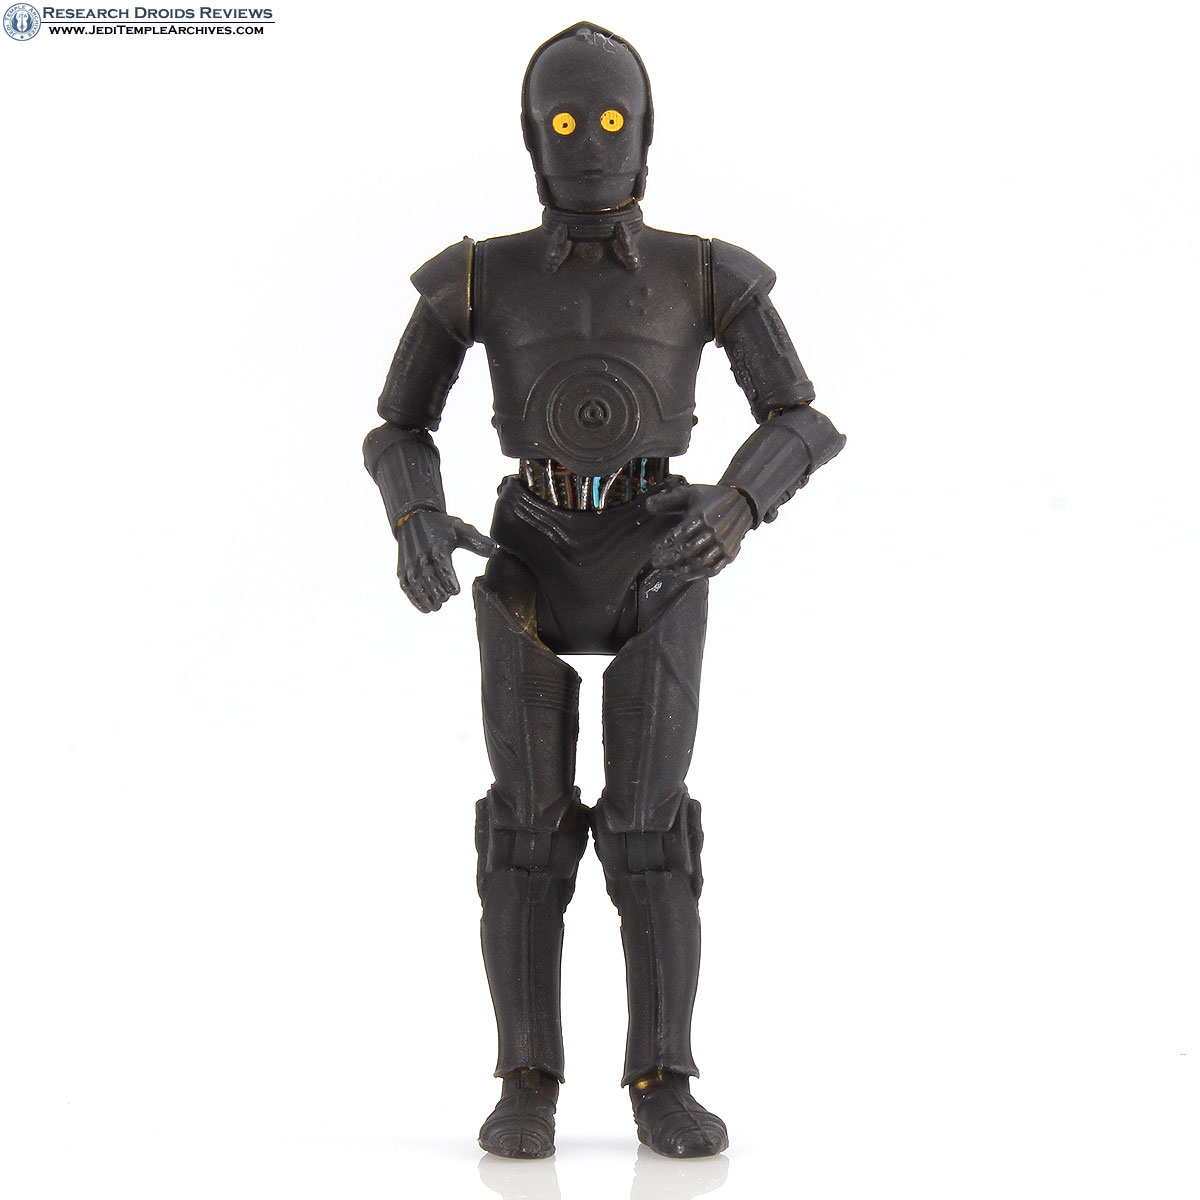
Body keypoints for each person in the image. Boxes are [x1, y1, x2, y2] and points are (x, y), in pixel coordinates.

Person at [364, 22, 845, 1160]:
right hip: (527, 553)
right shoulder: (477, 275)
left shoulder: (707, 271)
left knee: (648, 828)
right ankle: (526, 1077)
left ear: (648, 133)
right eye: (569, 123)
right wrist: (416, 515)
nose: (590, 144)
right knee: (525, 829)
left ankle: (661, 1076)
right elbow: (398, 424)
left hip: (661, 555)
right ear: (532, 137)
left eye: (612, 121)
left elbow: (803, 419)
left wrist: (737, 505)